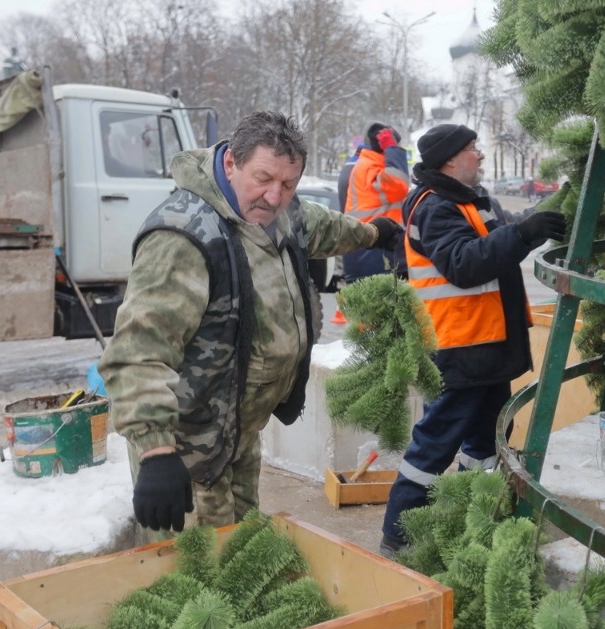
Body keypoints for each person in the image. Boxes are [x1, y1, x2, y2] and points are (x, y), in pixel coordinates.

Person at [98, 111, 403, 539]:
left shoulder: (276, 211)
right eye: (263, 178)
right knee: (198, 573)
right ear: (230, 164)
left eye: (288, 184)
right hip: (189, 451)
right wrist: (156, 452)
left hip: (238, 433)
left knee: (242, 550)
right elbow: (138, 352)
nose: (275, 197)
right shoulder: (183, 237)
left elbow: (320, 227)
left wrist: (374, 234)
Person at [379, 123, 566, 558]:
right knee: (436, 441)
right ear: (449, 159)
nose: (480, 155)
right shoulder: (434, 207)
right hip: (458, 348)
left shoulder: (472, 202)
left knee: (487, 440)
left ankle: (471, 512)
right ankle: (399, 533)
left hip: (487, 348)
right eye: (472, 149)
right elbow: (464, 263)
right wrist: (521, 234)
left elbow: (497, 236)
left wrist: (535, 222)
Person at [343, 122, 411, 281]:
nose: (396, 147)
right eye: (395, 144)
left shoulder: (369, 166)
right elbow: (398, 185)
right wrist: (393, 150)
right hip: (373, 251)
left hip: (372, 249)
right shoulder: (369, 168)